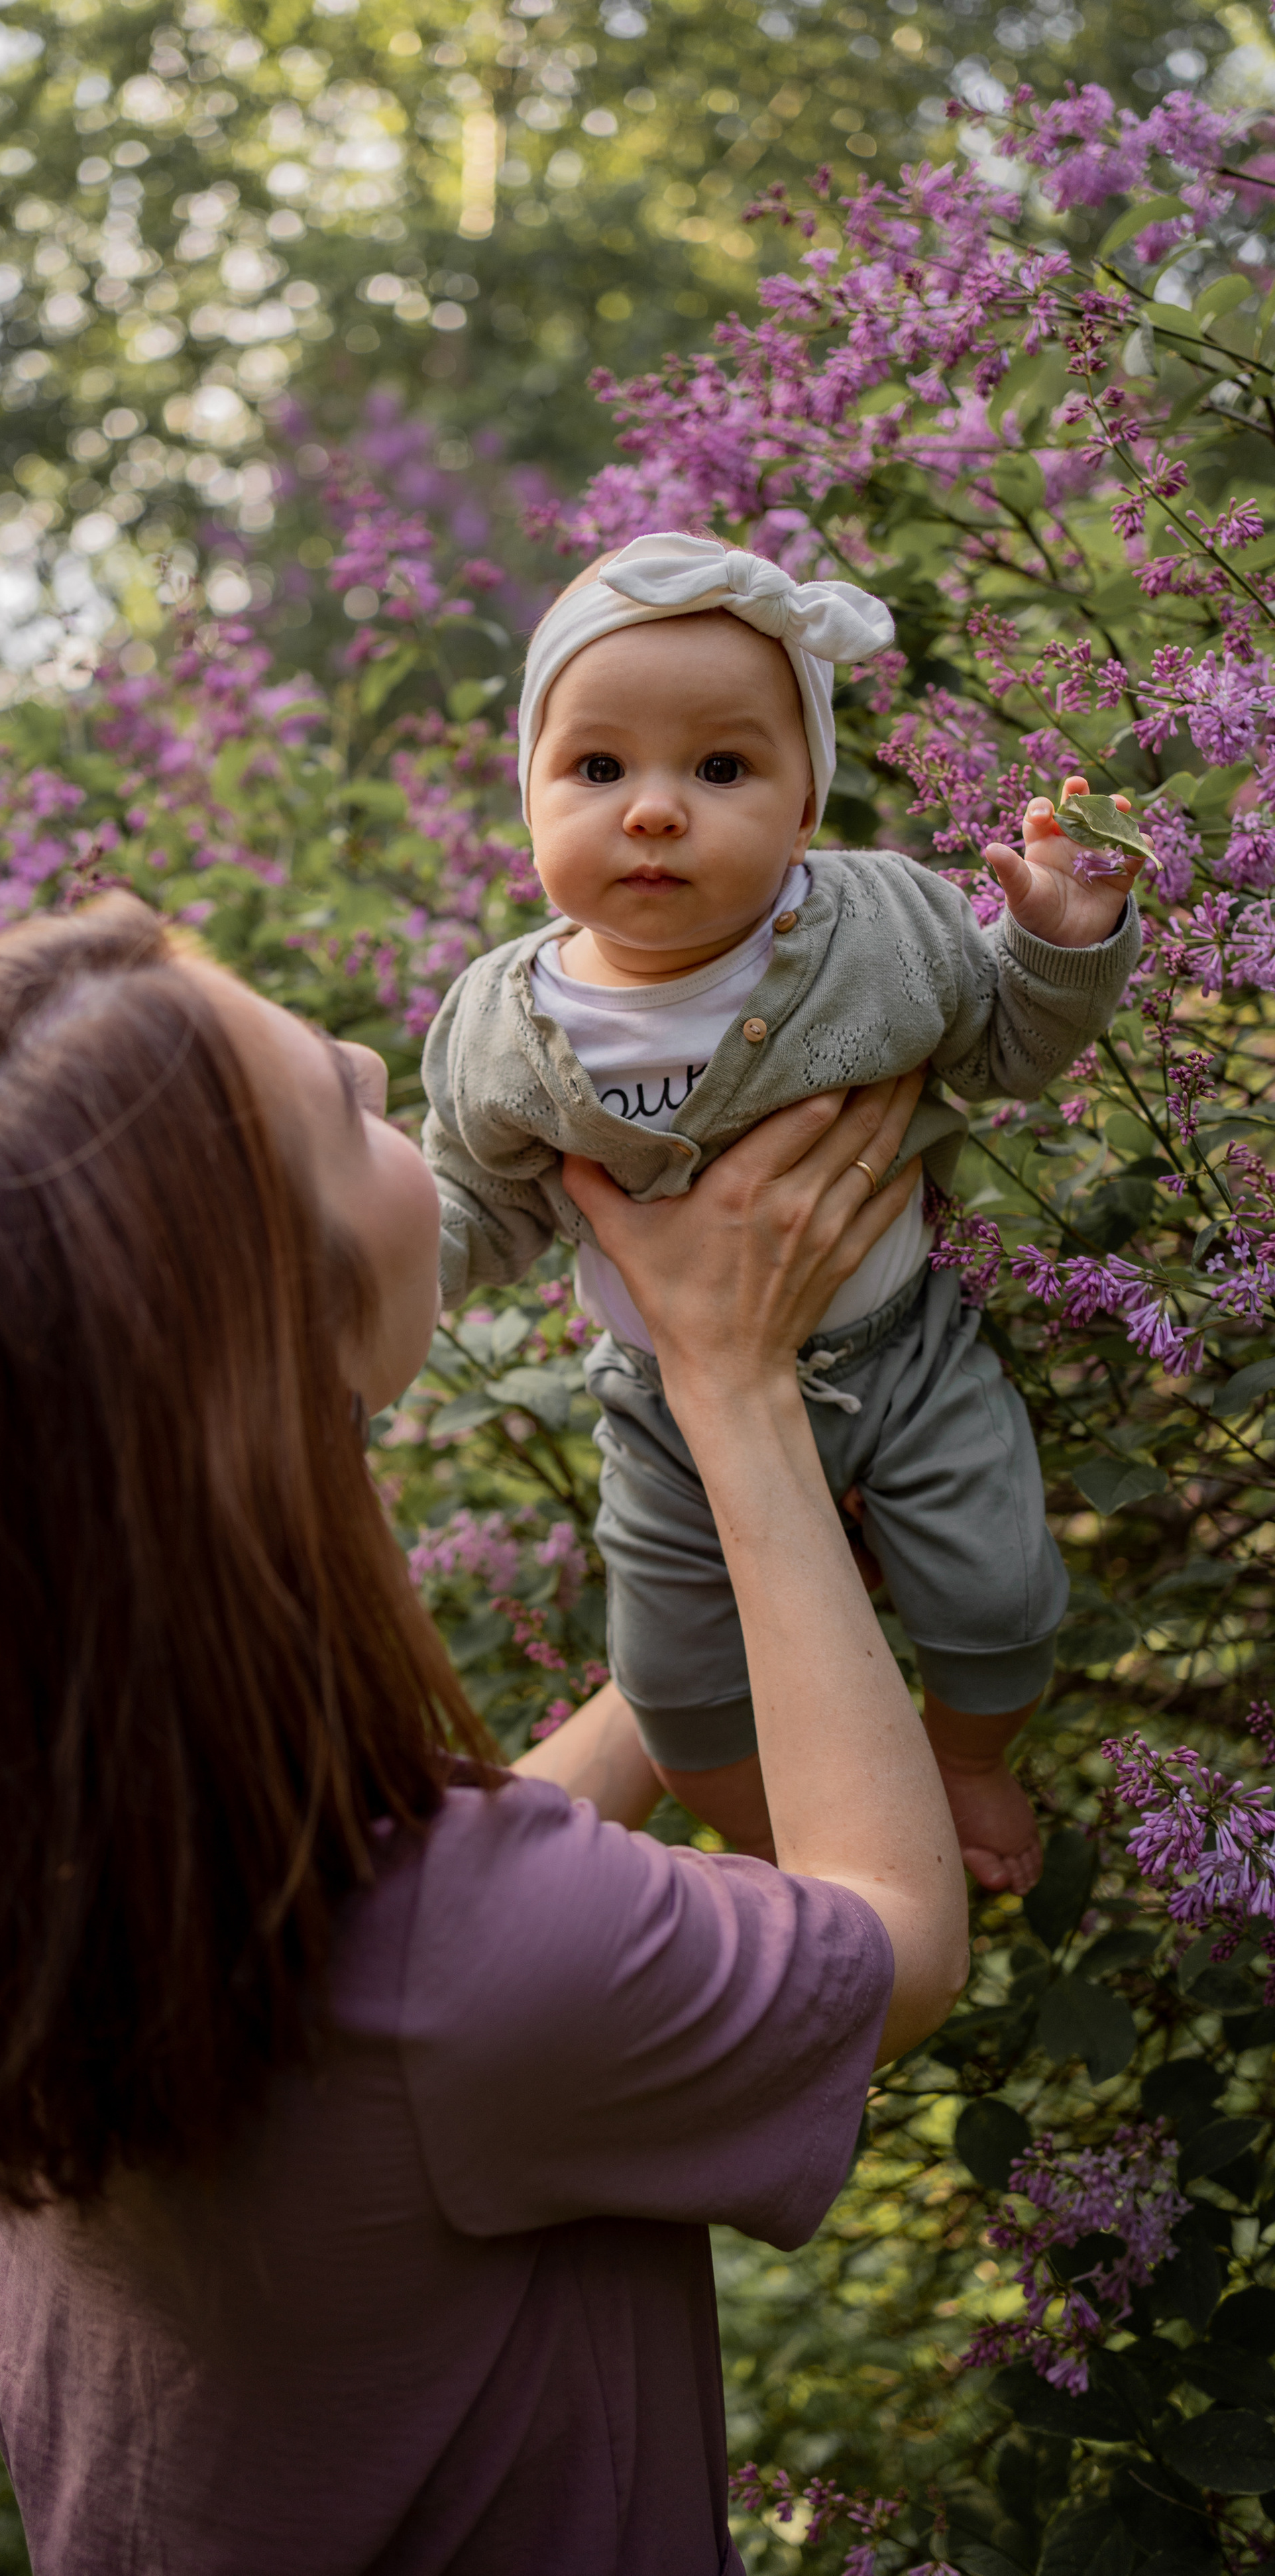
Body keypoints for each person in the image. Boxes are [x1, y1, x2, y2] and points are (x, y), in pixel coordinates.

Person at [0, 893, 968, 2576]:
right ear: (273, 1357)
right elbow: (895, 1943)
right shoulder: (456, 1980)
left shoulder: (9, 1880)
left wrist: (690, 1659)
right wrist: (732, 1384)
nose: (373, 1056)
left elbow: (422, 1923)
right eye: (343, 1111)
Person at [421, 531, 1144, 1896]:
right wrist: (363, 1269)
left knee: (998, 1606)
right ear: (524, 799)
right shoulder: (503, 1031)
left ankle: (966, 1758)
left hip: (902, 1357)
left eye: (719, 768)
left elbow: (999, 1042)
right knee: (678, 1694)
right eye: (595, 768)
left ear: (805, 800)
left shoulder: (878, 928)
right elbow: (475, 1201)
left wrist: (1054, 944)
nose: (651, 809)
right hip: (663, 1410)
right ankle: (793, 1857)